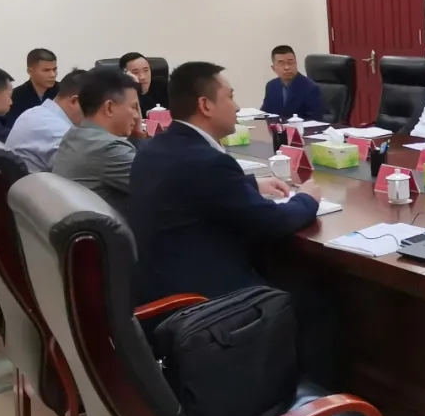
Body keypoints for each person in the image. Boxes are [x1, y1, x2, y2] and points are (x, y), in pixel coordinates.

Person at [129, 61, 322, 303]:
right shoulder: (207, 161)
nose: (237, 107)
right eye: (230, 97)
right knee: (317, 294)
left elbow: (197, 189)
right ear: (205, 105)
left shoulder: (153, 147)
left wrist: (250, 184)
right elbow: (273, 222)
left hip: (160, 285)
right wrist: (306, 199)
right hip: (203, 301)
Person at [52, 67, 142, 215]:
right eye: (133, 107)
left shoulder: (74, 135)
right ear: (109, 108)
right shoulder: (108, 148)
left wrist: (137, 134)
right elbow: (160, 187)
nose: (137, 115)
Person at [6, 68, 86, 172]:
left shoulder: (36, 112)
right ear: (74, 101)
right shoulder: (57, 130)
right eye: (94, 107)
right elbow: (84, 172)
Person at [259, 45, 324, 121]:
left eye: (290, 62)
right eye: (281, 63)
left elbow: (315, 120)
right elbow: (265, 113)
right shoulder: (271, 86)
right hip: (278, 128)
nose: (287, 67)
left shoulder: (310, 88)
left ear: (296, 63)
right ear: (273, 68)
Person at [6, 48, 59, 127]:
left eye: (54, 69)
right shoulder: (15, 97)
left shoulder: (63, 92)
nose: (52, 75)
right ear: (30, 71)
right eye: (46, 70)